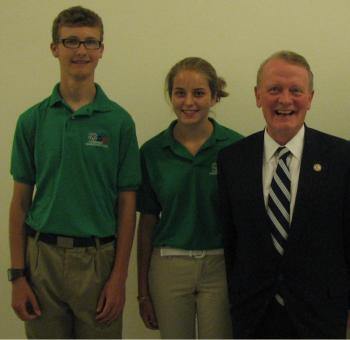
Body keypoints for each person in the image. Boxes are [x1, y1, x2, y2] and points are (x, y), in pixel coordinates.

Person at [8, 6, 140, 339]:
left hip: (98, 261)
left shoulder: (119, 122)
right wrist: (18, 276)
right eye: (70, 41)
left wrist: (118, 278)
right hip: (42, 261)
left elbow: (127, 206)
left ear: (101, 50)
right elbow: (20, 204)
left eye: (90, 42)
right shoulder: (32, 121)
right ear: (55, 48)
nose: (81, 50)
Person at [217, 50, 350, 338]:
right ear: (257, 95)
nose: (285, 100)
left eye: (296, 91)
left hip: (321, 317)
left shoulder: (342, 158)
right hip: (253, 316)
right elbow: (232, 243)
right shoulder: (231, 160)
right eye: (274, 89)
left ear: (311, 98)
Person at [137, 57, 243, 339]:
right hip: (169, 264)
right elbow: (147, 222)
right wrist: (142, 292)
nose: (188, 102)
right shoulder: (151, 152)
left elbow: (246, 220)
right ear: (170, 95)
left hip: (219, 267)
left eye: (198, 93)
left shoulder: (236, 148)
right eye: (179, 93)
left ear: (214, 96)